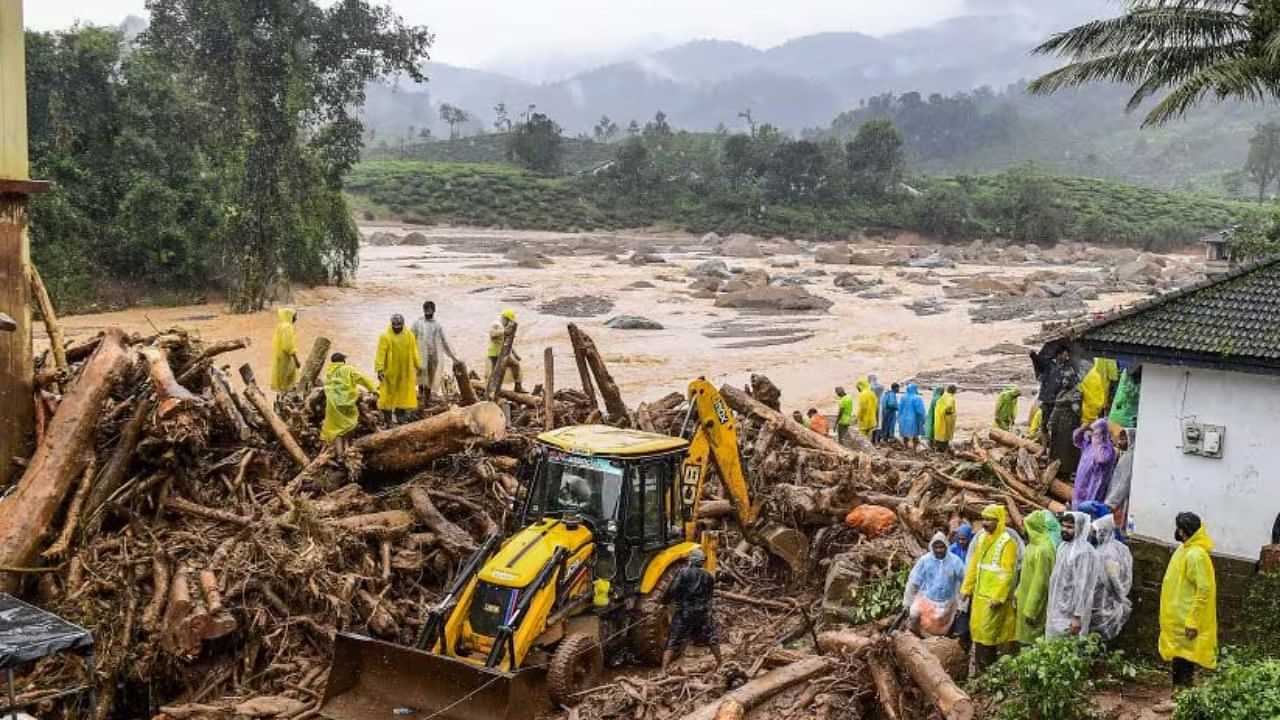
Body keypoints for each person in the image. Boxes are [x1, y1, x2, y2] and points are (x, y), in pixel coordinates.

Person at [1160, 512, 1217, 686]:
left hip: (1186, 622)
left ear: (1184, 531)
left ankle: (1179, 701)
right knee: (1179, 660)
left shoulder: (1196, 555)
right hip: (1177, 620)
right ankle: (1178, 699)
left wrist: (1193, 621)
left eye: (1178, 528)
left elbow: (1204, 590)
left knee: (1184, 663)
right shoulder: (1185, 549)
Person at [961, 505, 1019, 674]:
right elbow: (974, 565)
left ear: (998, 521)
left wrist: (998, 597)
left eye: (989, 520)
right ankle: (981, 671)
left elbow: (1007, 573)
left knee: (989, 635)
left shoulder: (1007, 542)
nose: (984, 523)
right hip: (979, 596)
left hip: (993, 598)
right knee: (978, 633)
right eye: (983, 519)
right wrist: (966, 588)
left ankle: (989, 671)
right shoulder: (981, 539)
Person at [661, 547, 722, 671]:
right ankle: (720, 663)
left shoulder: (683, 572)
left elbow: (672, 590)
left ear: (690, 560)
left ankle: (663, 670)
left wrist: (665, 602)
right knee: (711, 637)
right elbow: (709, 596)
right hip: (702, 613)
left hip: (685, 612)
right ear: (701, 562)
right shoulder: (709, 576)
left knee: (673, 640)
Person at [1045, 511, 1103, 638]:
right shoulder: (1063, 547)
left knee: (1069, 649)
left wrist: (1077, 616)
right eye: (1063, 526)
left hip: (1072, 613)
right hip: (1058, 607)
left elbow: (1083, 587)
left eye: (1070, 527)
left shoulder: (1084, 552)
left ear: (1080, 528)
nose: (1064, 530)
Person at [904, 533, 967, 637]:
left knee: (945, 628)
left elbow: (965, 582)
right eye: (936, 547)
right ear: (932, 547)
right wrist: (907, 602)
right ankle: (914, 636)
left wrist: (962, 604)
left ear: (946, 547)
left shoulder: (955, 561)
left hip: (948, 602)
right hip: (927, 599)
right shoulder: (925, 560)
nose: (939, 550)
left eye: (942, 547)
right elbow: (914, 581)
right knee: (914, 614)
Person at [1014, 510, 1057, 644]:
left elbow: (1041, 582)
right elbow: (1025, 575)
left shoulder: (1043, 549)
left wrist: (1031, 610)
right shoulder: (1032, 546)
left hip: (1033, 608)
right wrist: (1017, 593)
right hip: (1024, 600)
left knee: (1032, 644)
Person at [320, 353, 376, 454]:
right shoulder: (348, 369)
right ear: (343, 361)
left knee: (336, 430)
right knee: (349, 425)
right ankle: (347, 448)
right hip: (346, 403)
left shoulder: (329, 372)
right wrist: (373, 389)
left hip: (332, 405)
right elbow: (362, 378)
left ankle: (340, 454)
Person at [1091, 514, 1133, 641]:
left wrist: (1121, 599)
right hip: (1109, 600)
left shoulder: (1107, 553)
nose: (1093, 534)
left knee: (1099, 636)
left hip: (1105, 601)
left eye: (1095, 531)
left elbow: (1112, 577)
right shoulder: (1121, 548)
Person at [375, 314, 421, 425]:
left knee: (403, 395)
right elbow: (380, 354)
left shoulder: (409, 335)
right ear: (391, 324)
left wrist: (418, 365)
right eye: (394, 325)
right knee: (387, 396)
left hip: (405, 371)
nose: (396, 327)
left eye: (398, 325)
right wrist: (379, 369)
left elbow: (415, 351)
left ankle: (400, 417)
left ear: (403, 324)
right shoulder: (385, 336)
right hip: (389, 372)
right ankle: (388, 420)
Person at [411, 300, 459, 406]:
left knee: (430, 379)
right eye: (426, 310)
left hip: (433, 356)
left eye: (430, 310)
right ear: (423, 310)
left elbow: (444, 341)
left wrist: (454, 357)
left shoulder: (437, 325)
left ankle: (426, 401)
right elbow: (410, 338)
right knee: (421, 378)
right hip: (420, 355)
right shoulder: (418, 323)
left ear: (434, 311)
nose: (428, 312)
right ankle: (420, 397)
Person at [1072, 419, 1117, 509]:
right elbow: (1076, 439)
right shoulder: (1088, 444)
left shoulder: (1107, 448)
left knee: (1089, 508)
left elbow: (1102, 459)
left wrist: (1097, 442)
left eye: (1096, 432)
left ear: (1103, 433)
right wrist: (1082, 429)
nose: (1093, 434)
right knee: (1077, 507)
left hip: (1093, 485)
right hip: (1081, 483)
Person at [487, 309, 525, 393]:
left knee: (515, 365)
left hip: (503, 353)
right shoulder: (496, 325)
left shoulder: (506, 328)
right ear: (505, 319)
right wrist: (504, 331)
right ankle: (491, 390)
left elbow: (508, 343)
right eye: (509, 321)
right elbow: (492, 334)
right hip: (494, 353)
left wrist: (515, 354)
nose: (510, 324)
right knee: (495, 372)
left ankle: (518, 386)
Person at [1079, 357, 1120, 427]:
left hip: (1086, 398)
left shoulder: (1089, 356)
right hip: (1101, 398)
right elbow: (1114, 377)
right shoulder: (1109, 357)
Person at [270, 308, 302, 392]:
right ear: (289, 316)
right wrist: (296, 360)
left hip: (279, 357)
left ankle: (281, 398)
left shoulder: (280, 326)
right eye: (294, 316)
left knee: (281, 380)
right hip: (286, 359)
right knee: (288, 381)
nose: (296, 318)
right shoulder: (288, 327)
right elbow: (288, 346)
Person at [897, 383, 927, 450]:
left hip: (903, 419)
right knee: (914, 435)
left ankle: (905, 447)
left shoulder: (903, 397)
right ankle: (914, 449)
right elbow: (920, 410)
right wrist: (923, 418)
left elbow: (899, 408)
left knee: (905, 435)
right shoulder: (917, 398)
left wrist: (898, 418)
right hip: (913, 419)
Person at [933, 385, 958, 452]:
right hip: (946, 419)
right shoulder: (950, 398)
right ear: (953, 391)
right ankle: (943, 450)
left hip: (939, 417)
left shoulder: (943, 396)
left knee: (939, 433)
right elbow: (949, 406)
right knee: (945, 434)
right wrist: (949, 412)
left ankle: (937, 448)